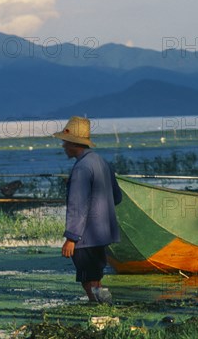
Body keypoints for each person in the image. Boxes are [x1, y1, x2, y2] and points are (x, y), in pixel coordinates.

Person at [53, 116, 122, 304]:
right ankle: (102, 303)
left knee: (87, 277)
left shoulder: (81, 168)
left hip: (85, 236)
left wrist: (71, 238)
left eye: (65, 142)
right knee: (95, 274)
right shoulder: (102, 162)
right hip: (102, 234)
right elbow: (117, 197)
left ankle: (98, 306)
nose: (63, 146)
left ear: (74, 144)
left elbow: (78, 206)